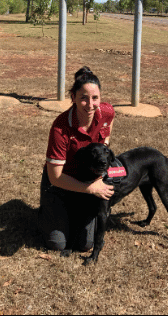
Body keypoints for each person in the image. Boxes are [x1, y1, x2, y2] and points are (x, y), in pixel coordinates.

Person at [38, 66, 115, 253]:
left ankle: (70, 213)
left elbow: (108, 130)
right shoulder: (60, 128)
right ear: (73, 97)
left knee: (85, 245)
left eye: (95, 98)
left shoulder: (106, 111)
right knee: (57, 244)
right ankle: (47, 211)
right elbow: (55, 177)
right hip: (59, 184)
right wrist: (92, 188)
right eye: (83, 98)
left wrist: (98, 172)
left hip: (86, 178)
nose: (90, 105)